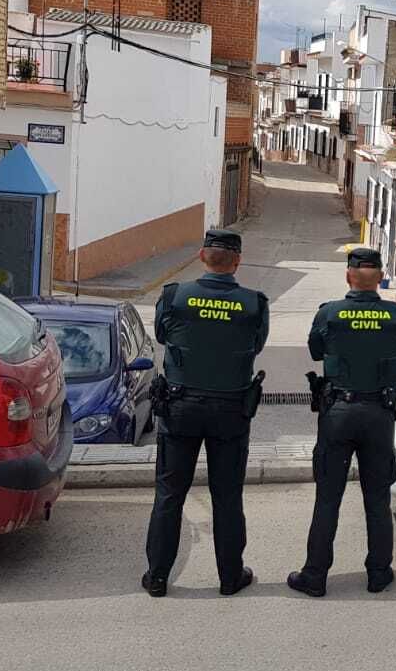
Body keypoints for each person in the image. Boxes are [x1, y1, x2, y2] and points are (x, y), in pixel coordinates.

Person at [141, 229, 269, 598]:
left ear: (201, 255)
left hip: (180, 409)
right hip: (229, 411)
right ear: (237, 261)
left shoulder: (175, 296)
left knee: (169, 495)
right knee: (227, 497)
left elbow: (163, 336)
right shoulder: (253, 303)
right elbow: (256, 345)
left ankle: (159, 577)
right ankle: (230, 578)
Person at [288, 248, 396, 597]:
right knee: (377, 498)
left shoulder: (330, 313)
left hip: (338, 413)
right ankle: (378, 573)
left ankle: (315, 576)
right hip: (379, 415)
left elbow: (315, 350)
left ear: (348, 276)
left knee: (327, 498)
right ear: (381, 276)